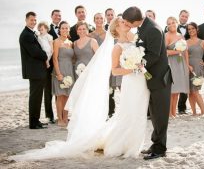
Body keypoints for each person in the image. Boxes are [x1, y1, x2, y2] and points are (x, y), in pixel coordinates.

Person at [9, 17, 150, 161]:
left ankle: (134, 141)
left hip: (139, 81)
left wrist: (140, 64)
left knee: (136, 112)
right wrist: (133, 68)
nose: (127, 24)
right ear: (116, 27)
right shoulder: (115, 47)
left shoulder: (133, 38)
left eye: (126, 22)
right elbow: (114, 69)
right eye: (123, 22)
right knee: (127, 112)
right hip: (130, 78)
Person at [123, 6, 172, 160]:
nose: (126, 25)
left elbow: (154, 55)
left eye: (127, 23)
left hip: (160, 79)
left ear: (135, 21)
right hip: (151, 79)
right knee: (155, 114)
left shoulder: (153, 29)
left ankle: (160, 149)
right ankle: (155, 144)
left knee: (161, 115)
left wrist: (137, 62)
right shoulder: (144, 26)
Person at [19, 12, 48, 129]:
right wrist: (46, 55)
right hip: (34, 71)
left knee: (37, 96)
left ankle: (36, 121)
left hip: (37, 70)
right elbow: (35, 52)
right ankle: (33, 123)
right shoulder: (26, 35)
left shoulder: (31, 33)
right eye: (31, 20)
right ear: (26, 20)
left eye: (35, 20)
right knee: (35, 97)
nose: (34, 22)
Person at [165, 17, 189, 118]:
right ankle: (169, 113)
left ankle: (174, 113)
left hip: (180, 63)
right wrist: (176, 52)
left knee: (177, 91)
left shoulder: (181, 36)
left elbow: (186, 52)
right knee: (171, 90)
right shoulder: (166, 36)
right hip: (171, 63)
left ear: (177, 23)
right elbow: (164, 52)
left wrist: (187, 65)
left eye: (173, 23)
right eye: (169, 23)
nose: (171, 25)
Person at [52, 21, 75, 126]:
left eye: (67, 28)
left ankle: (66, 117)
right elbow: (55, 59)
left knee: (67, 95)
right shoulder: (56, 42)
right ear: (59, 30)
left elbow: (73, 59)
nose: (65, 30)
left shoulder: (71, 43)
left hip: (69, 71)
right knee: (60, 96)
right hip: (60, 70)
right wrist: (58, 73)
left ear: (69, 29)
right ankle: (60, 119)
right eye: (63, 28)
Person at [186, 22, 204, 115]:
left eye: (192, 28)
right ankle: (194, 112)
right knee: (189, 92)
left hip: (198, 67)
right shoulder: (185, 42)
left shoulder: (202, 42)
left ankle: (203, 111)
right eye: (189, 29)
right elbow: (182, 56)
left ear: (197, 29)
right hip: (187, 67)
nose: (191, 31)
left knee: (195, 91)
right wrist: (187, 65)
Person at [37, 22, 55, 123]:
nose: (41, 30)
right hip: (45, 67)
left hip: (57, 65)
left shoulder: (50, 36)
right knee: (47, 91)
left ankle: (61, 114)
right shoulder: (39, 37)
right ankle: (49, 115)